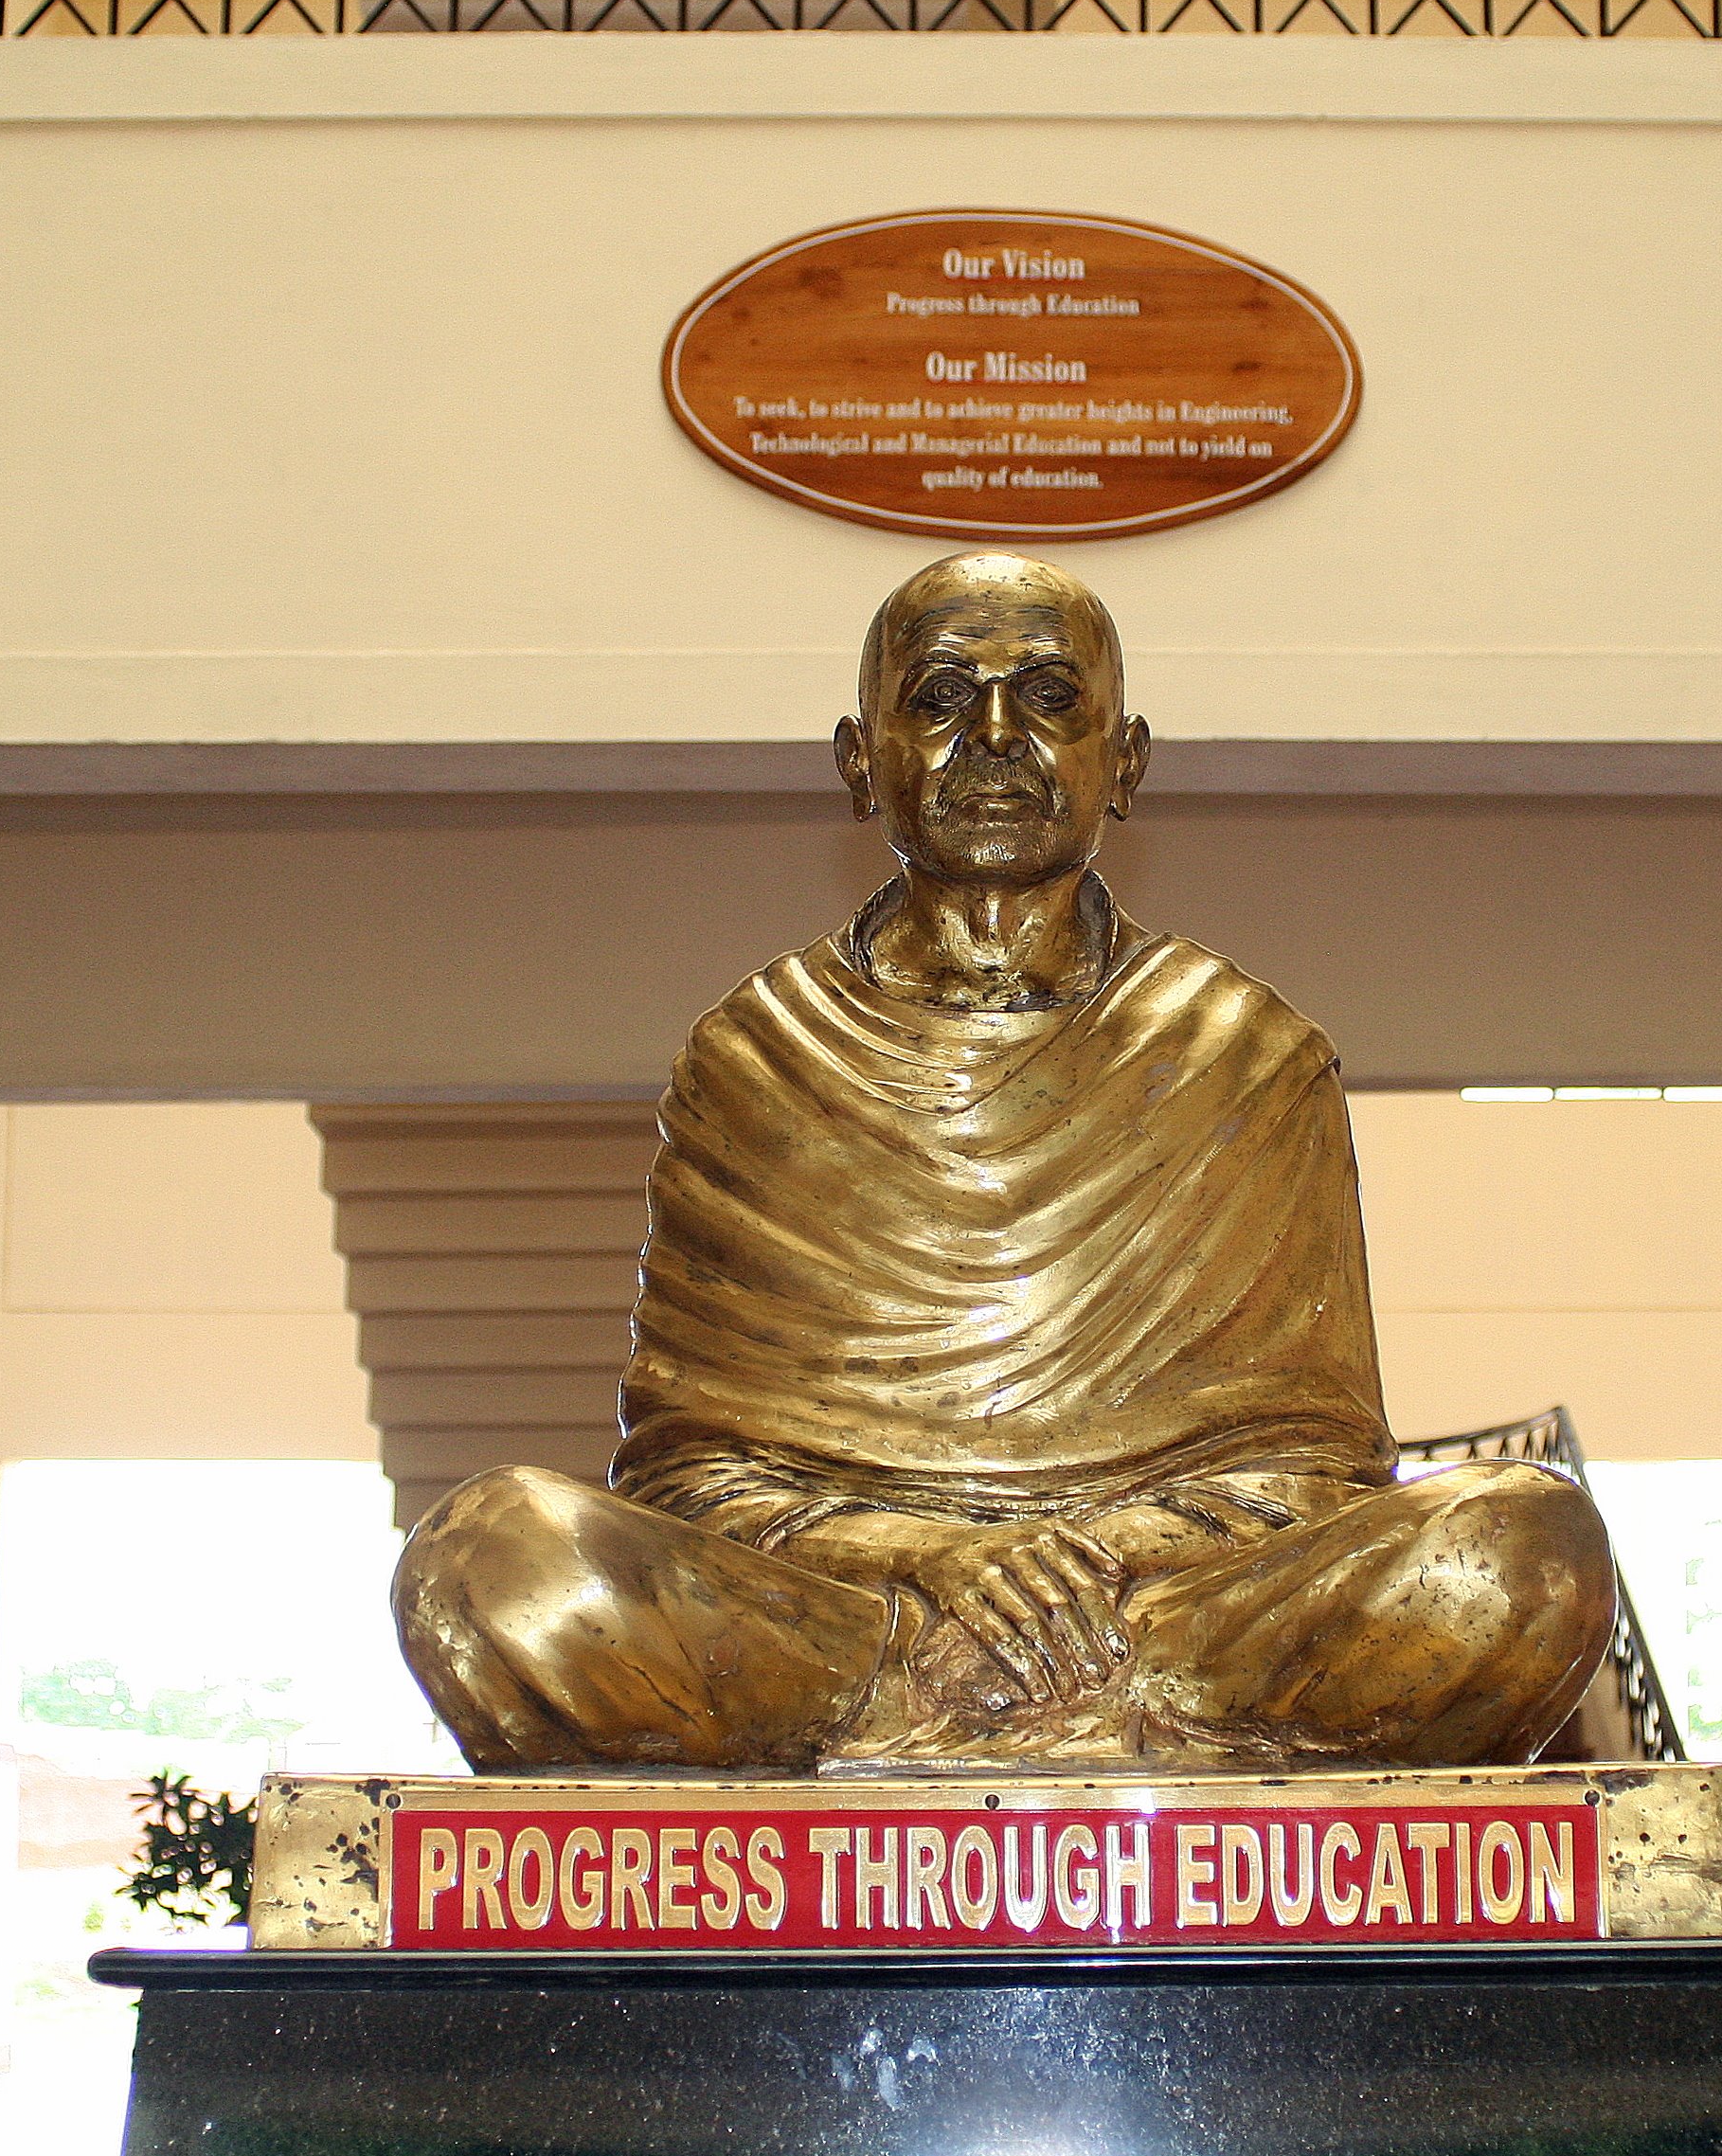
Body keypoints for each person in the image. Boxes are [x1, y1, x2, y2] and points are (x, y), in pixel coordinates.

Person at [395, 552, 1614, 1771]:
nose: (991, 737)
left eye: (1045, 696)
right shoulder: (756, 1056)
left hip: (1161, 1610)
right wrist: (931, 1561)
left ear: (1123, 760)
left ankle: (953, 1734)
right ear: (857, 760)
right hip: (849, 1619)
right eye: (935, 699)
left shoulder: (1242, 1050)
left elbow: (1313, 1470)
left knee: (1520, 1549)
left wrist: (1088, 1564)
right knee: (493, 1557)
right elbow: (689, 1477)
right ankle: (1064, 1732)